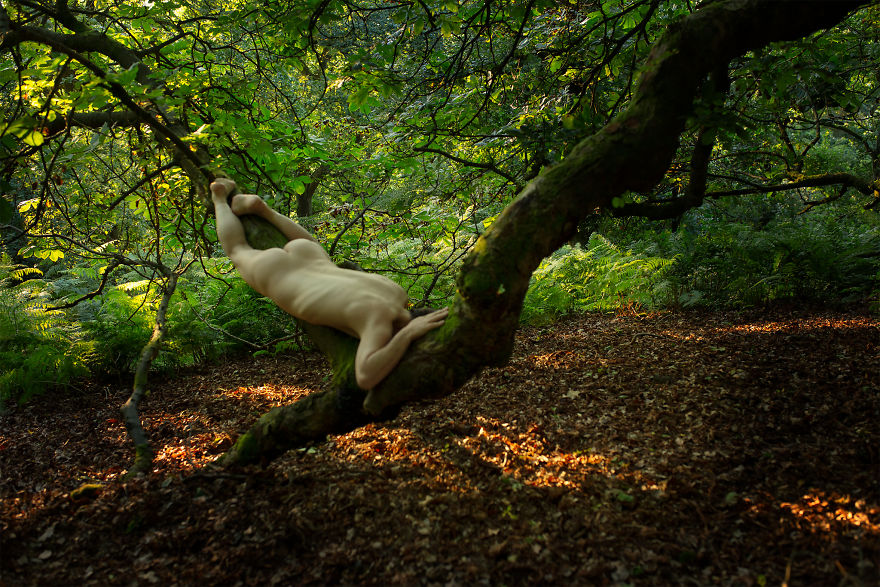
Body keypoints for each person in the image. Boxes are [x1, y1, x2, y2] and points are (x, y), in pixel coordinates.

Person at [210, 177, 448, 390]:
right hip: (278, 274)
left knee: (317, 251)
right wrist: (407, 336)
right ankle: (219, 197)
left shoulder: (397, 292)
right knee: (237, 249)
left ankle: (266, 212)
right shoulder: (379, 320)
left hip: (310, 255)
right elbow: (365, 376)